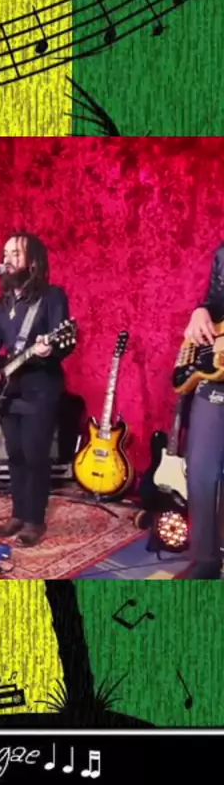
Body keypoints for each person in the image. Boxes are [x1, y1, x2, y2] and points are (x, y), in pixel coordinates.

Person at [0, 232, 70, 547]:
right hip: (9, 391)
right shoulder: (2, 304)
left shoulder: (52, 296)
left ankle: (34, 520)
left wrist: (50, 348)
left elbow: (64, 342)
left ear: (32, 262)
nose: (7, 259)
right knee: (16, 454)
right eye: (5, 253)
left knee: (35, 455)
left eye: (15, 254)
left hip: (40, 389)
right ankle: (18, 513)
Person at [178, 241, 224, 579]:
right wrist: (200, 312)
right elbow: (215, 300)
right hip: (215, 379)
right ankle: (205, 561)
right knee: (200, 471)